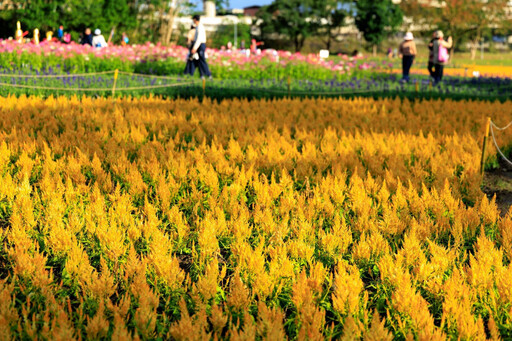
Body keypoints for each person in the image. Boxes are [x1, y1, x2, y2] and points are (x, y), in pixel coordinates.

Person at [191, 15, 212, 79]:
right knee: (199, 60)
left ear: (195, 20)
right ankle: (201, 75)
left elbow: (199, 39)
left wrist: (194, 47)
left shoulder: (200, 27)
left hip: (200, 45)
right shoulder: (197, 27)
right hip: (199, 45)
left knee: (202, 60)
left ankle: (208, 74)